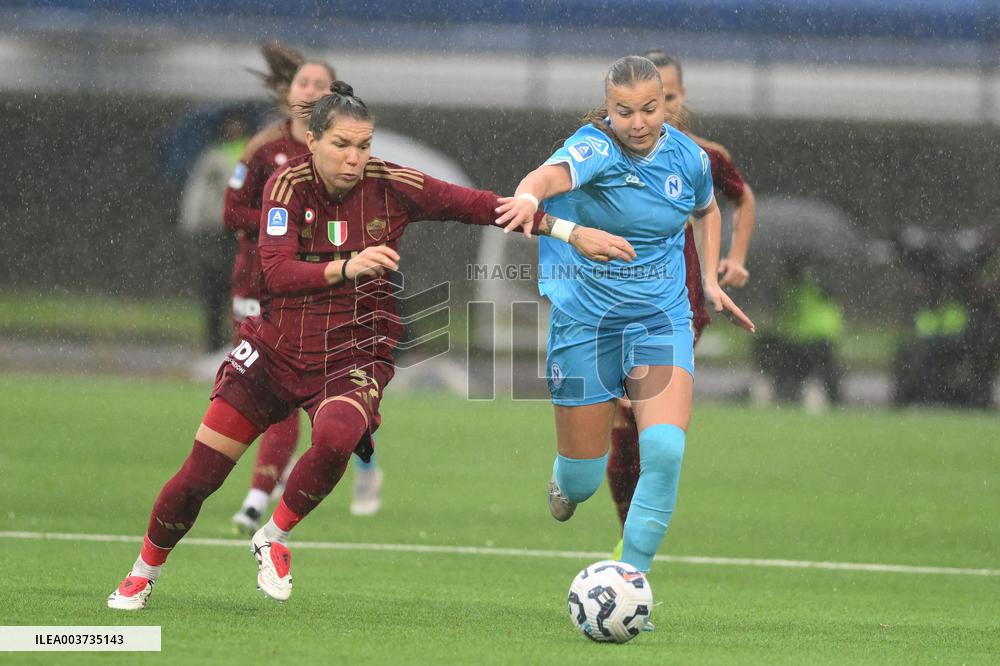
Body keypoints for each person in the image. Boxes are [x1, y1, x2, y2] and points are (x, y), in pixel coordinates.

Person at [107, 80, 631, 610]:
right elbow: (278, 273)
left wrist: (568, 232)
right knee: (200, 476)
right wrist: (348, 266)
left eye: (364, 145)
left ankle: (276, 535)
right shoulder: (285, 186)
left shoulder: (392, 185)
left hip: (352, 352)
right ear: (312, 141)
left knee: (337, 436)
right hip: (274, 349)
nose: (355, 157)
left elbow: (482, 207)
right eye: (342, 145)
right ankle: (143, 569)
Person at [496, 56, 754, 582]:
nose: (638, 122)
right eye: (625, 111)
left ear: (667, 105)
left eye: (650, 108)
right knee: (584, 477)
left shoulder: (689, 157)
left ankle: (632, 580)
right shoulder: (594, 147)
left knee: (662, 448)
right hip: (585, 324)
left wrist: (705, 280)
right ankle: (566, 482)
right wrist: (528, 197)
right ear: (608, 110)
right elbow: (547, 177)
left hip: (660, 319)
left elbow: (707, 210)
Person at [223, 44, 384, 532]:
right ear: (288, 92)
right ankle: (263, 491)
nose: (310, 91)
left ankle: (353, 463)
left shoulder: (345, 153)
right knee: (268, 384)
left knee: (323, 384)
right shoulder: (262, 149)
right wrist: (285, 226)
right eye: (303, 83)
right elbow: (231, 214)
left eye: (320, 85)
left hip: (324, 289)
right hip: (260, 283)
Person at [606, 49, 758, 551]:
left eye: (665, 99)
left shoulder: (699, 156)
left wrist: (733, 258)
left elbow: (738, 199)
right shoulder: (602, 152)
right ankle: (625, 535)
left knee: (640, 418)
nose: (655, 112)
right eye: (641, 104)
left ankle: (628, 549)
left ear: (679, 98)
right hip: (611, 299)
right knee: (621, 421)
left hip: (678, 302)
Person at [178, 107, 251, 355]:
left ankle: (240, 345)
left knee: (241, 289)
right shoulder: (214, 154)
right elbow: (199, 195)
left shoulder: (253, 150)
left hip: (241, 229)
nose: (233, 128)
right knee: (215, 288)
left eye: (237, 122)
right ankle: (216, 345)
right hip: (217, 229)